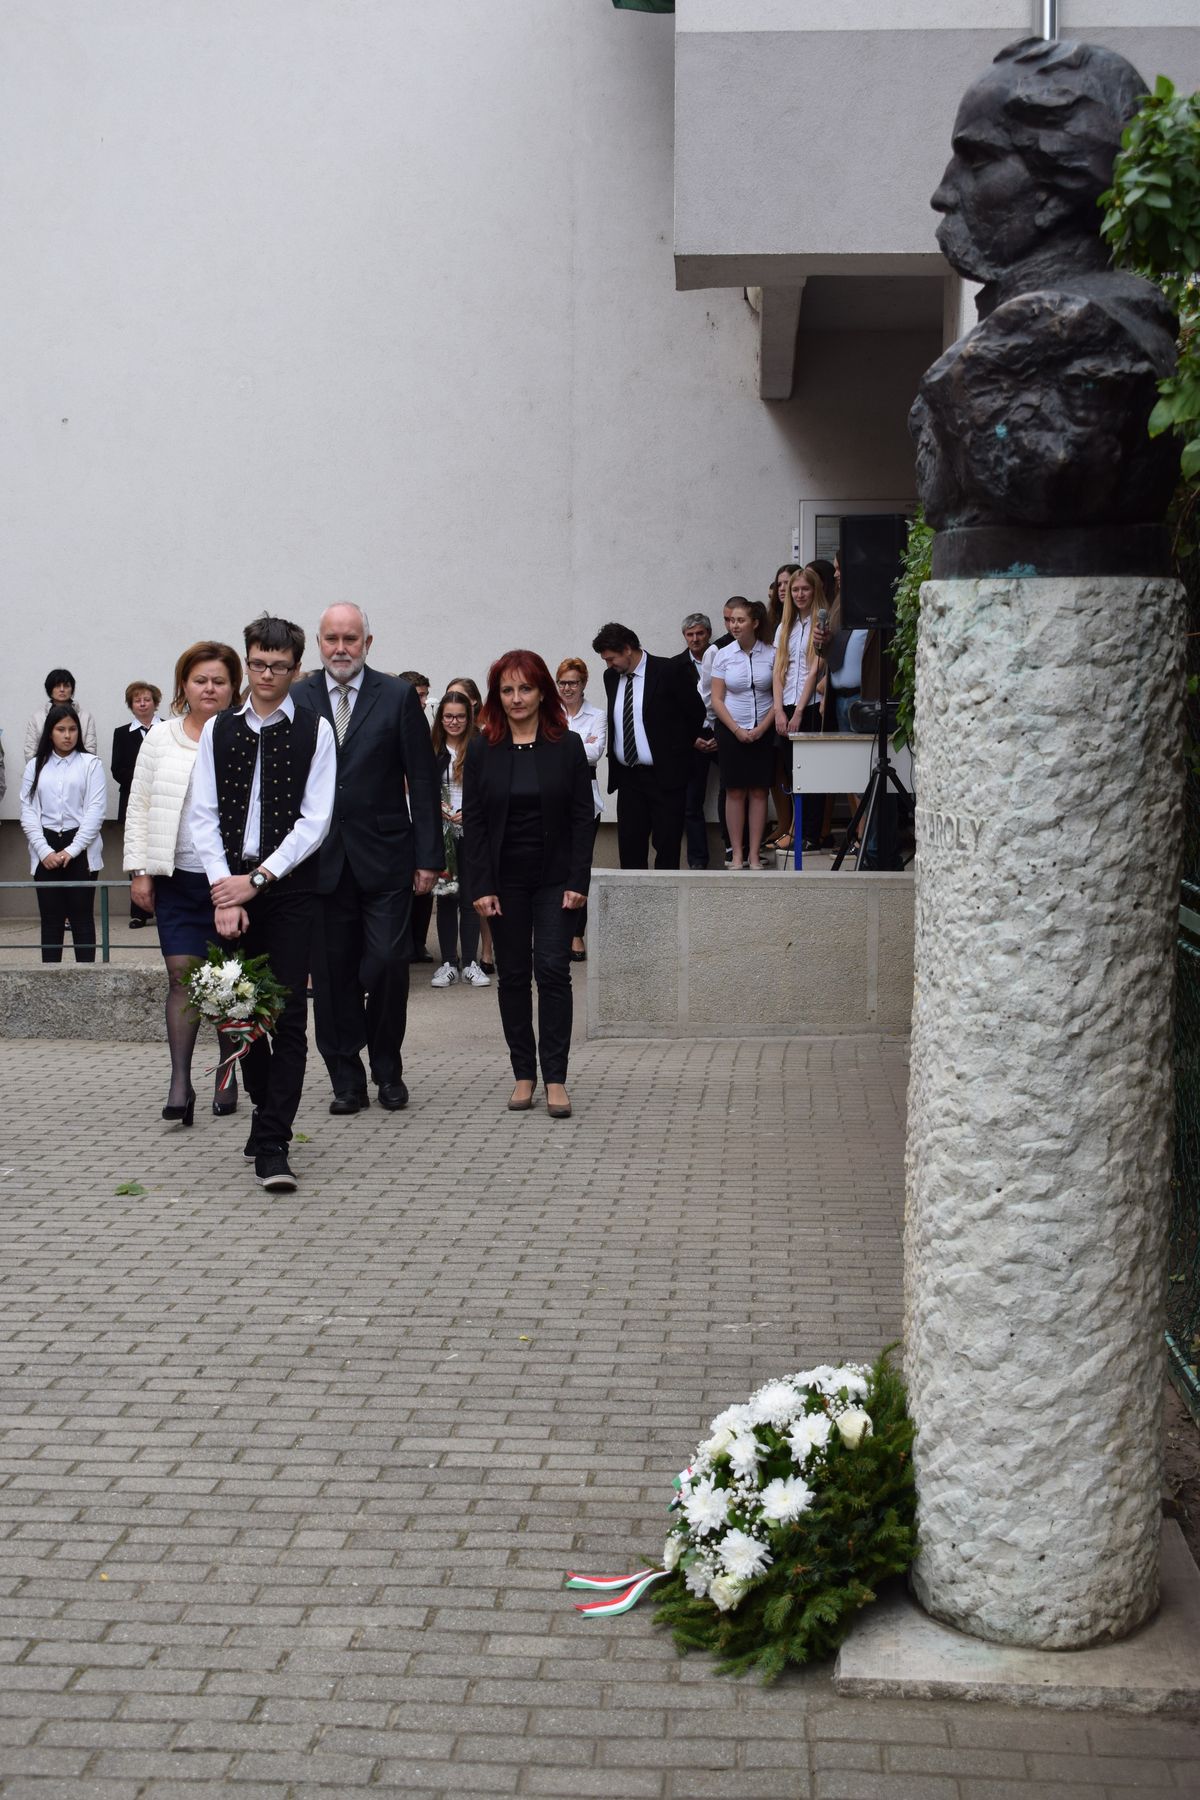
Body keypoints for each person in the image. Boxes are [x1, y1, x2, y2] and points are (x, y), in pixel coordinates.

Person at [188, 614, 337, 1192]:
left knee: (289, 1017)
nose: (267, 674)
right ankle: (264, 1109)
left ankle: (275, 1142)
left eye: (278, 666)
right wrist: (225, 890)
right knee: (239, 1012)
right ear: (246, 662)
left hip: (290, 890)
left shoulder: (316, 731)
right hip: (229, 887)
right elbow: (203, 815)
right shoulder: (219, 729)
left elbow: (315, 821)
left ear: (297, 669)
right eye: (257, 664)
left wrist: (260, 878)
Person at [292, 603, 441, 1118]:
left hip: (386, 860)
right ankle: (346, 1078)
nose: (341, 649)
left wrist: (429, 856)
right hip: (319, 863)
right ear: (319, 643)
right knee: (332, 978)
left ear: (367, 643)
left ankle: (388, 1068)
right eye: (331, 639)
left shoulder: (397, 696)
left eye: (350, 639)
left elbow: (422, 779)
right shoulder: (298, 696)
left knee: (388, 965)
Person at [463, 650, 594, 1118]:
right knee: (514, 976)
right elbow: (475, 823)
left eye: (525, 688)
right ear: (496, 696)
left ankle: (555, 1077)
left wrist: (578, 879)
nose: (516, 698)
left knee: (553, 972)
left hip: (556, 881)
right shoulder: (483, 748)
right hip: (504, 884)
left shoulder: (568, 745)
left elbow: (582, 818)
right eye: (507, 690)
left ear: (542, 693)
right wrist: (481, 885)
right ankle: (524, 1073)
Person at [122, 643, 243, 1122]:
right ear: (184, 686)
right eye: (200, 680)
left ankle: (227, 1074)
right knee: (182, 978)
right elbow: (140, 805)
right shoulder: (160, 737)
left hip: (230, 883)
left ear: (233, 687)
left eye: (219, 681)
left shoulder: (245, 734)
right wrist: (139, 871)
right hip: (176, 878)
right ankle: (179, 1082)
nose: (209, 688)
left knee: (229, 982)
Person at [592, 622, 704, 870]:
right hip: (628, 778)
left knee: (667, 847)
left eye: (611, 659)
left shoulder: (668, 670)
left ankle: (666, 896)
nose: (609, 665)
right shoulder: (611, 677)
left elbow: (696, 712)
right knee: (630, 848)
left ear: (627, 649)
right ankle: (633, 896)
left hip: (665, 777)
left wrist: (676, 750)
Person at [21, 703, 105, 962]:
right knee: (51, 918)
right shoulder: (35, 766)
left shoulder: (91, 764)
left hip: (80, 845)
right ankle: (50, 977)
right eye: (61, 729)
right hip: (45, 843)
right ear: (50, 732)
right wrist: (44, 850)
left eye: (72, 729)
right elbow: (28, 811)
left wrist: (72, 849)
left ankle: (87, 977)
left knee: (82, 916)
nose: (67, 735)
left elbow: (96, 811)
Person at [710, 600, 776, 870]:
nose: (734, 625)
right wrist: (737, 730)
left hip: (764, 730)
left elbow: (777, 697)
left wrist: (761, 729)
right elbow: (716, 699)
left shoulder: (771, 652)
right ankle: (737, 854)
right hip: (731, 731)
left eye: (740, 620)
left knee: (759, 791)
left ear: (755, 623)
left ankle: (754, 854)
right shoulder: (723, 655)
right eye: (731, 621)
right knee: (734, 790)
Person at [429, 690, 489, 988]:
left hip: (472, 830)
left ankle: (470, 963)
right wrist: (436, 805)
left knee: (470, 898)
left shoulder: (480, 746)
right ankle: (448, 964)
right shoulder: (432, 748)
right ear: (441, 718)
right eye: (448, 716)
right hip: (441, 833)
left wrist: (471, 811)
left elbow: (490, 788)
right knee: (446, 897)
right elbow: (421, 786)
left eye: (460, 717)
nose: (454, 722)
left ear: (470, 718)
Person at [773, 565, 827, 852]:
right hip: (787, 704)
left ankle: (810, 834)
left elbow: (814, 670)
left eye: (805, 588)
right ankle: (796, 830)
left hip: (809, 706)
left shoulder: (821, 625)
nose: (800, 594)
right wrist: (779, 710)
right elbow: (778, 670)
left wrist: (798, 712)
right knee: (792, 773)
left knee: (811, 774)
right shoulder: (786, 627)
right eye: (795, 589)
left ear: (815, 590)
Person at [555, 656, 606, 960]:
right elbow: (546, 749)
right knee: (554, 865)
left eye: (573, 683)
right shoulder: (549, 715)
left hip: (587, 800)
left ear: (584, 683)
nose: (567, 688)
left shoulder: (597, 715)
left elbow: (595, 753)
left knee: (579, 865)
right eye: (562, 683)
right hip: (552, 799)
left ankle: (576, 933)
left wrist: (562, 747)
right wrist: (578, 746)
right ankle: (553, 931)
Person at [111, 680, 163, 928]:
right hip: (134, 800)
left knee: (162, 855)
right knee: (137, 856)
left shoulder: (169, 728)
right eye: (137, 700)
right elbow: (117, 769)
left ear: (155, 702)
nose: (142, 704)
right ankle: (139, 912)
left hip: (164, 799)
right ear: (131, 705)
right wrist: (143, 780)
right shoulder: (122, 733)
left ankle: (164, 908)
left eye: (147, 699)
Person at [672, 614, 718, 870]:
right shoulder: (675, 666)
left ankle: (737, 851)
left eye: (700, 633)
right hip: (693, 739)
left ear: (708, 634)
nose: (695, 639)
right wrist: (691, 739)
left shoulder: (723, 658)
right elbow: (673, 710)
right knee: (692, 803)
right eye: (690, 635)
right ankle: (698, 862)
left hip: (722, 733)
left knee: (734, 793)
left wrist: (722, 736)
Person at [25, 670, 97, 761]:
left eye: (66, 686)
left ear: (72, 689)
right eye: (57, 686)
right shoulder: (37, 718)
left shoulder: (85, 717)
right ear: (50, 689)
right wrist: (41, 768)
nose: (62, 689)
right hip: (45, 768)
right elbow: (30, 751)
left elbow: (90, 750)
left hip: (80, 768)